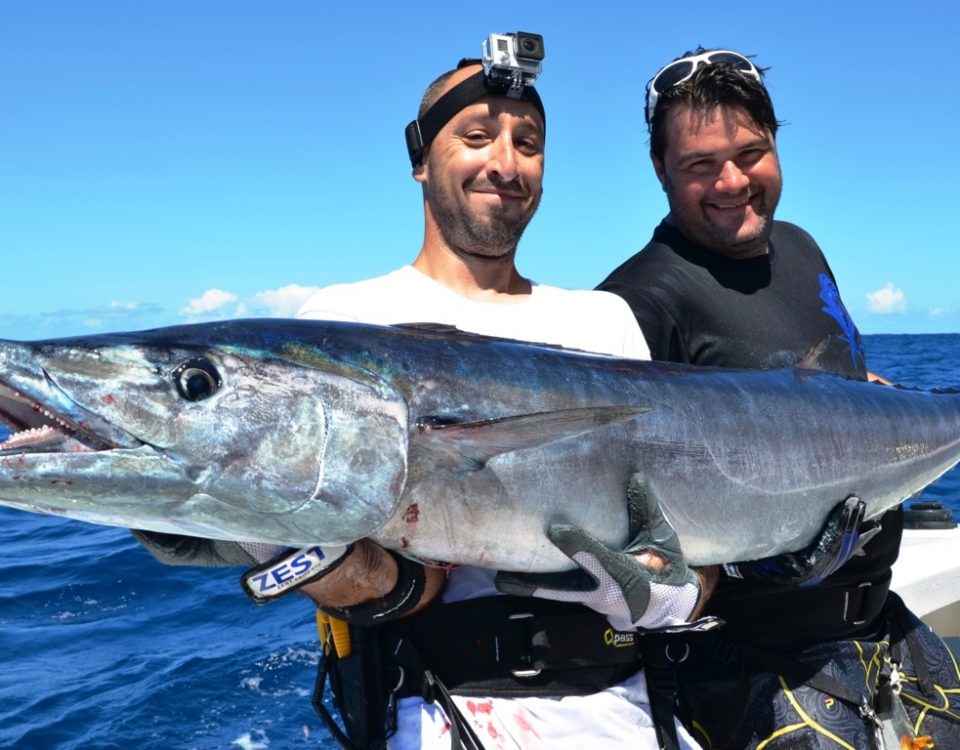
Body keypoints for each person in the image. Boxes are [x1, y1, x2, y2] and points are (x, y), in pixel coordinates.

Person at [137, 41, 713, 750]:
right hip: (437, 715)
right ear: (420, 160)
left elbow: (688, 541)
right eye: (476, 136)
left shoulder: (605, 321)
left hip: (627, 713)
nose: (505, 163)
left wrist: (670, 593)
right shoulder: (341, 322)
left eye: (527, 143)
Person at [598, 47, 960, 750]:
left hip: (880, 626)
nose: (732, 182)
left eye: (751, 153)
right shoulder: (635, 304)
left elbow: (847, 387)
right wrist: (748, 560)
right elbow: (628, 532)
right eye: (700, 164)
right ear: (659, 171)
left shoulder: (798, 246)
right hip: (749, 670)